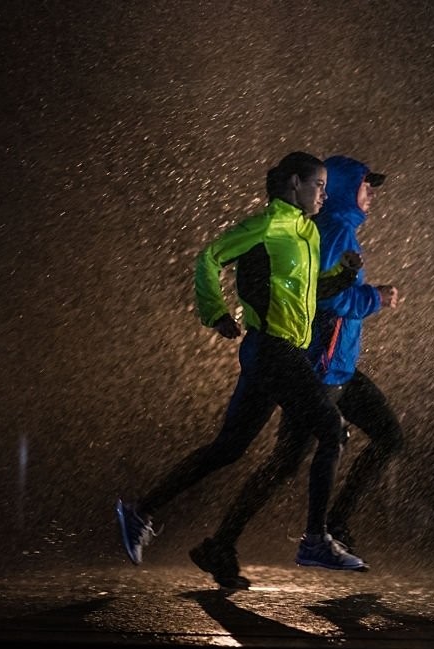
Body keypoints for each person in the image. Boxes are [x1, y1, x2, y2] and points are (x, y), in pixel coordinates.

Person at [115, 151, 369, 579]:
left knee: (228, 449)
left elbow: (302, 292)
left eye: (326, 187)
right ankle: (314, 541)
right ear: (294, 184)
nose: (324, 194)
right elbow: (209, 257)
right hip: (272, 350)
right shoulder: (268, 225)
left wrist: (341, 280)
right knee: (331, 430)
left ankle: (140, 510)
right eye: (318, 185)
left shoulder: (305, 231)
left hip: (276, 352)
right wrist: (215, 312)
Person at [189, 154, 404, 588]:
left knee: (386, 438)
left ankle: (330, 526)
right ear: (345, 188)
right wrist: (374, 298)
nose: (372, 194)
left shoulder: (334, 227)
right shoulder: (335, 230)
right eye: (366, 185)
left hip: (339, 367)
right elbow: (323, 301)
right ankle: (233, 541)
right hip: (321, 369)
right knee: (287, 462)